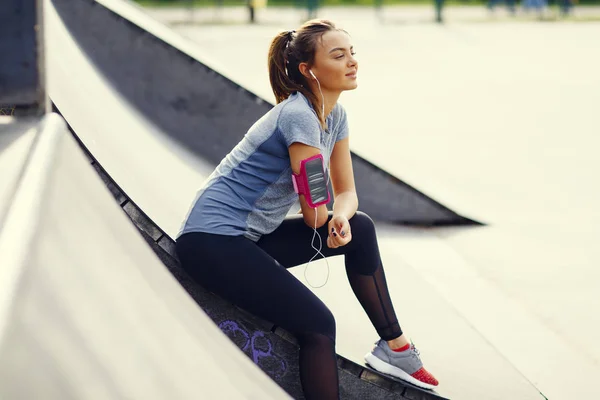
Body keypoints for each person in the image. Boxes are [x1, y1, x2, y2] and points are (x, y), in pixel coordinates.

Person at [175, 19, 439, 399]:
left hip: (248, 238)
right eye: (338, 55)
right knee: (318, 325)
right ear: (308, 70)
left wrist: (342, 218)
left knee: (360, 228)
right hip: (212, 240)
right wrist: (330, 218)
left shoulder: (335, 116)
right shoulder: (298, 117)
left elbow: (347, 193)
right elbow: (315, 211)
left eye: (352, 53)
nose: (351, 62)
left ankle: (395, 347)